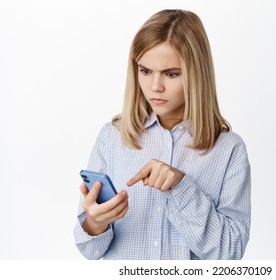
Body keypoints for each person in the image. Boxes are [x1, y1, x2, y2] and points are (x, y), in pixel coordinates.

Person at [74, 9, 251, 260]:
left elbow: (230, 253)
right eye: (145, 71)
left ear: (196, 74)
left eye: (171, 74)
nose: (155, 86)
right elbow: (89, 250)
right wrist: (95, 222)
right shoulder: (112, 137)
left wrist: (180, 187)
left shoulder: (229, 149)